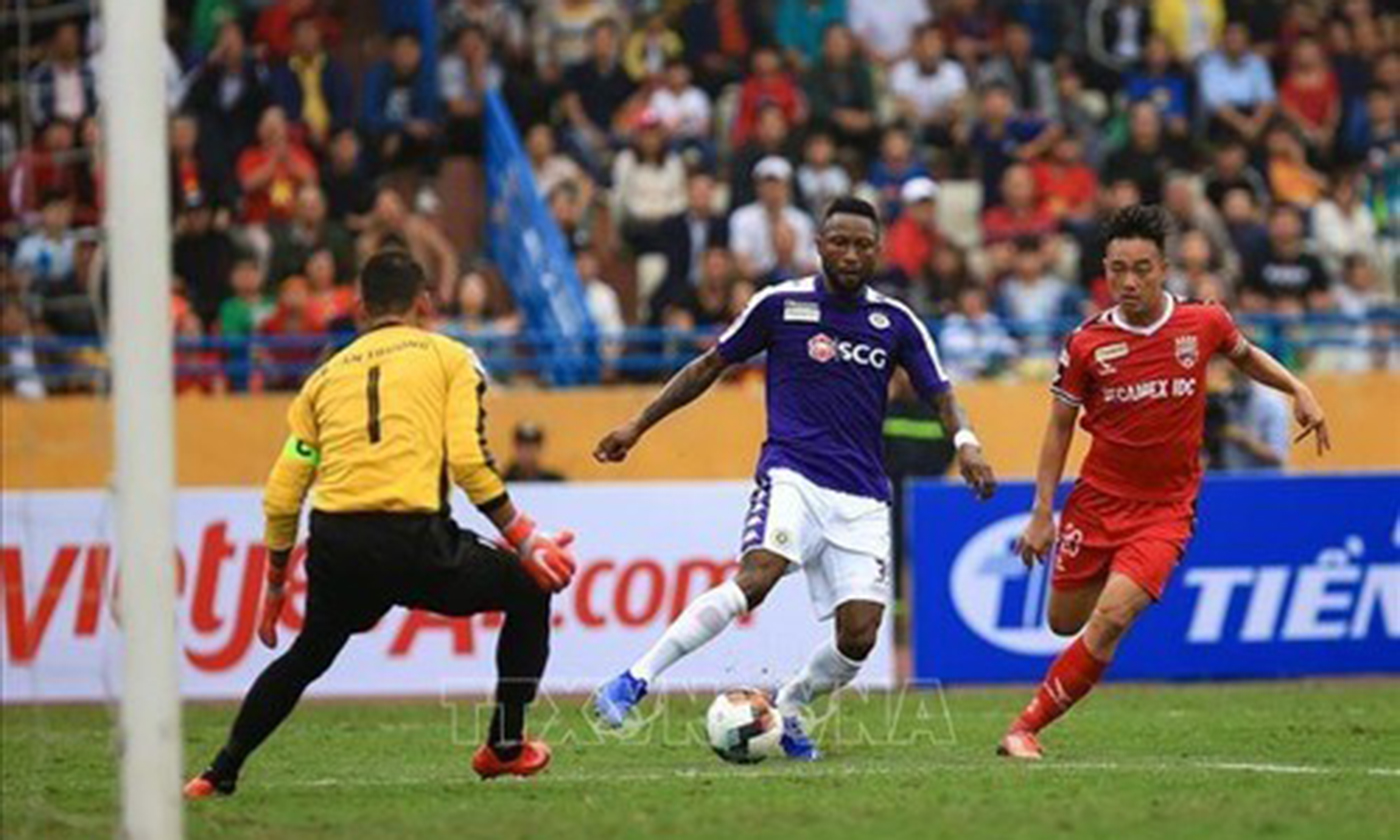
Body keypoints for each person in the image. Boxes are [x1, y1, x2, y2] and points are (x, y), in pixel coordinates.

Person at [591, 197, 997, 759]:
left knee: (858, 639)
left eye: (862, 244)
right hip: (793, 475)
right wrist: (637, 424)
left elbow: (941, 392)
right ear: (819, 246)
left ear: (878, 250)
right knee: (756, 578)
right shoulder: (780, 305)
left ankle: (790, 704)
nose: (850, 254)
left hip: (862, 496)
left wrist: (967, 443)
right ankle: (631, 681)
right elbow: (710, 365)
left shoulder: (896, 321)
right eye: (840, 242)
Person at [184, 251, 578, 797]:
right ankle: (504, 748)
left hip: (336, 542)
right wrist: (525, 537)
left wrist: (275, 584)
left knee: (307, 654)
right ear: (424, 303)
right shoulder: (451, 357)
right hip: (413, 538)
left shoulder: (321, 380)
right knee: (529, 589)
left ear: (359, 307)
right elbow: (467, 460)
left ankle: (218, 771)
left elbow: (281, 494)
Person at [1000, 206, 1329, 761]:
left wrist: (1298, 388)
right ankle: (1082, 625)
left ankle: (1024, 729)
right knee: (1064, 623)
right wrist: (1041, 511)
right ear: (1104, 270)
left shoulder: (1202, 323)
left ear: (1164, 268)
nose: (1129, 282)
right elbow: (1058, 430)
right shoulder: (1086, 345)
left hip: (1166, 509)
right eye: (1117, 269)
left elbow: (1247, 357)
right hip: (1098, 503)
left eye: (1143, 269)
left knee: (1111, 618)